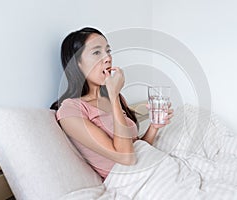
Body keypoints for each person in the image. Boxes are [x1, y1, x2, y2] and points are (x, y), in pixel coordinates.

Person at [50, 27, 173, 181]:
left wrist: (154, 127)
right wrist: (114, 96)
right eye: (96, 52)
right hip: (130, 181)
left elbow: (135, 148)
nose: (108, 58)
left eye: (108, 51)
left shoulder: (116, 98)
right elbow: (126, 158)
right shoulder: (70, 109)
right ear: (77, 64)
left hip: (153, 167)